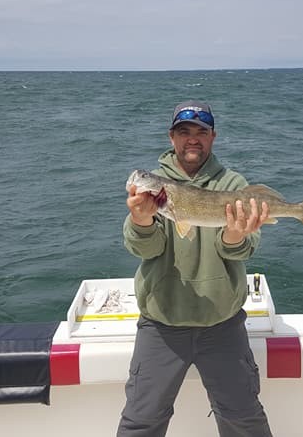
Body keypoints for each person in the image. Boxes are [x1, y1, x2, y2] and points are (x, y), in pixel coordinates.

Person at [117, 101, 274, 437]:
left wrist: (234, 236)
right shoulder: (157, 191)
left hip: (222, 324)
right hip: (161, 324)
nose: (192, 139)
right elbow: (146, 249)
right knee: (141, 420)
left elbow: (242, 249)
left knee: (244, 419)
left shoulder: (233, 183)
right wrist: (141, 220)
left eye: (201, 132)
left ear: (212, 137)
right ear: (171, 137)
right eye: (184, 131)